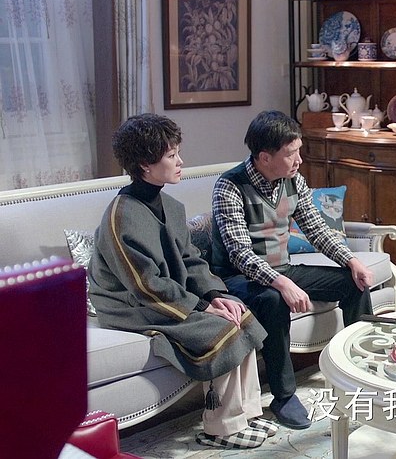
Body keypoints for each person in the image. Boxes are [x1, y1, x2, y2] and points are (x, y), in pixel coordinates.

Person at [87, 113, 276, 449]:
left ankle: (245, 414)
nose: (180, 161)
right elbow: (145, 285)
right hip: (131, 307)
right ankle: (222, 428)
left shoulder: (170, 206)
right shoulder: (121, 217)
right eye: (172, 155)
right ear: (145, 164)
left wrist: (215, 295)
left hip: (165, 297)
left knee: (239, 313)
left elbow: (191, 259)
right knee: (221, 330)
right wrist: (201, 307)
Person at [210, 110, 374, 429]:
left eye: (299, 150)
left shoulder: (293, 180)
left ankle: (359, 369)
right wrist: (283, 284)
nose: (299, 159)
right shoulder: (229, 186)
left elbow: (317, 229)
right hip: (237, 278)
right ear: (264, 157)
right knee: (274, 300)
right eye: (291, 153)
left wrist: (351, 261)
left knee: (354, 283)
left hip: (281, 269)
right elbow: (240, 255)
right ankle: (283, 396)